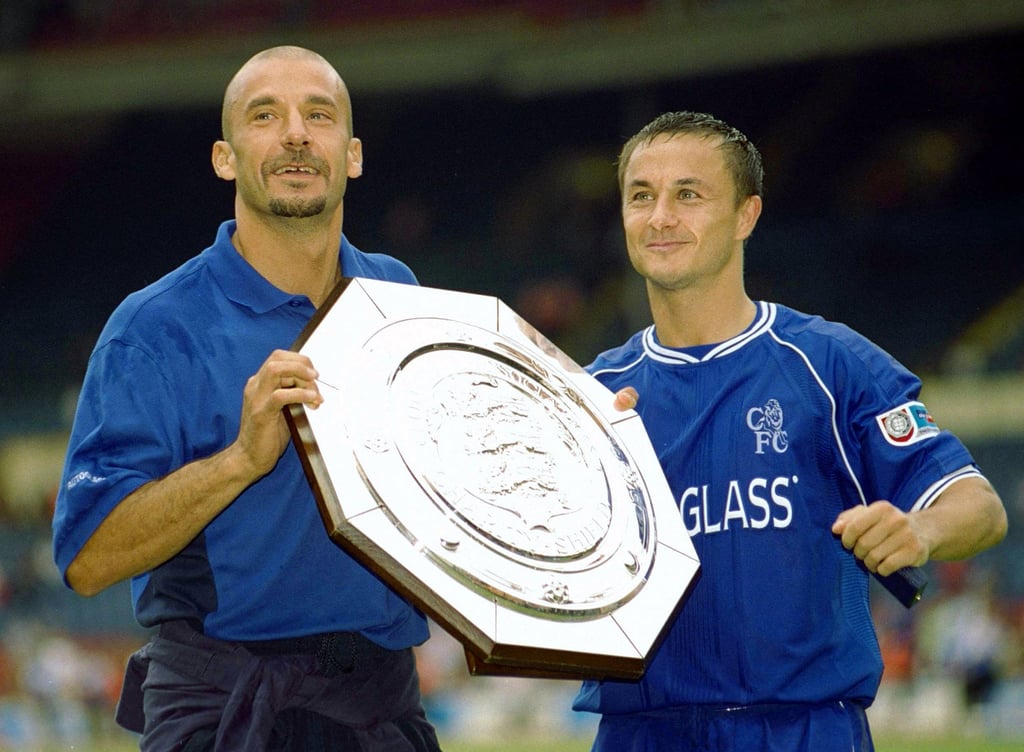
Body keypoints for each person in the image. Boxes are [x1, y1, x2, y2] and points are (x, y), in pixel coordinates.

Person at [571, 111, 1008, 751]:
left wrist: (919, 530)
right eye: (642, 196)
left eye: (688, 194)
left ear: (747, 216)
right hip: (640, 733)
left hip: (802, 729)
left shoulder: (831, 364)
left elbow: (980, 508)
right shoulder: (590, 394)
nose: (660, 216)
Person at [52, 46, 442, 752]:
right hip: (226, 711)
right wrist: (240, 459)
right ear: (224, 158)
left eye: (317, 116)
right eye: (265, 116)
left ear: (351, 155)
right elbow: (87, 560)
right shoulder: (153, 327)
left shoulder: (400, 298)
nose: (296, 134)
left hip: (382, 708)